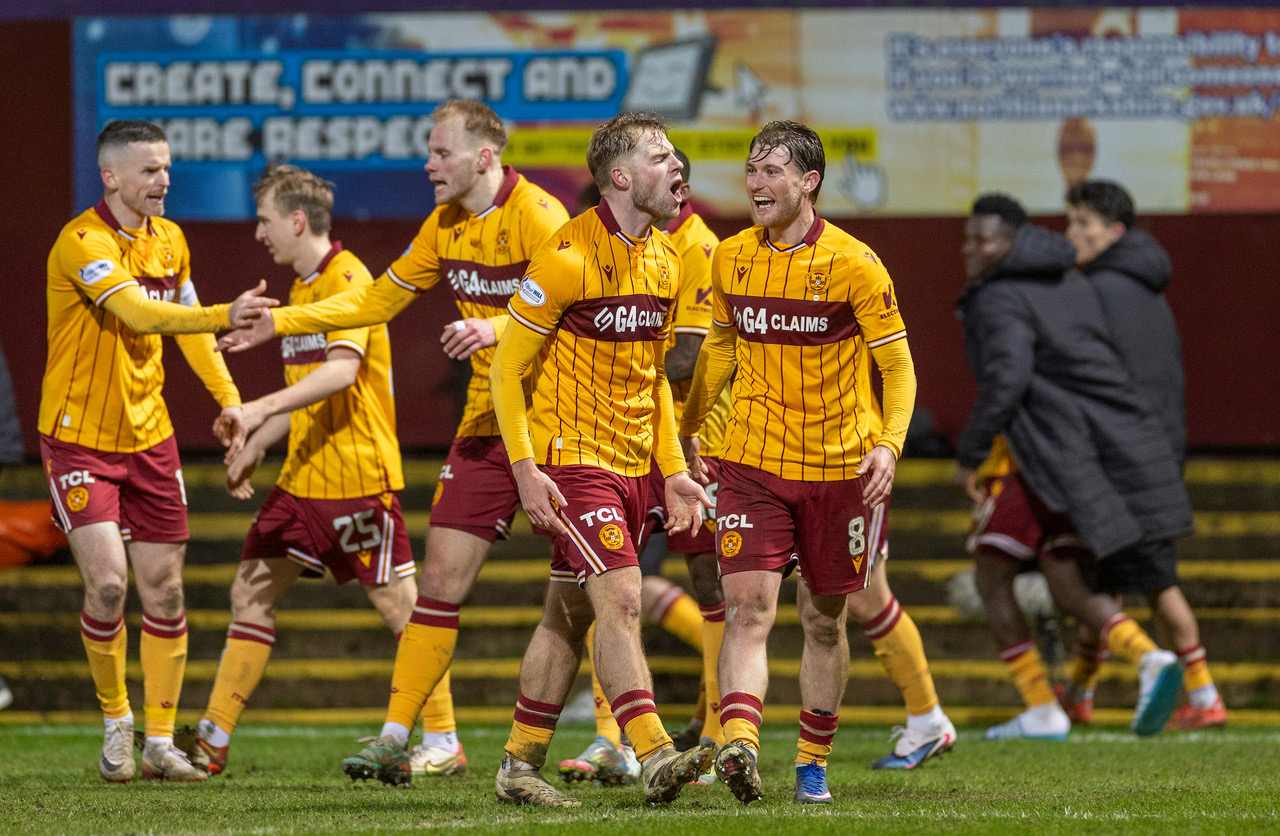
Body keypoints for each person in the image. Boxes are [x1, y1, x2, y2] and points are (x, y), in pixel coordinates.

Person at [215, 100, 571, 783]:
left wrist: (497, 330)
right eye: (430, 152)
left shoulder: (542, 217)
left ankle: (631, 738)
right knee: (434, 583)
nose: (428, 165)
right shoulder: (442, 226)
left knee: (594, 592)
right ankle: (405, 736)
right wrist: (283, 321)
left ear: (485, 157)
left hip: (562, 420)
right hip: (486, 418)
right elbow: (376, 303)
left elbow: (568, 309)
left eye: (440, 153)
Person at [679, 120, 917, 805]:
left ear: (808, 182)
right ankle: (741, 748)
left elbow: (896, 366)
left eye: (772, 171)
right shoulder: (729, 258)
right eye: (752, 170)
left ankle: (812, 764)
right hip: (751, 463)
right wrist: (694, 429)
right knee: (747, 607)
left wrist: (888, 444)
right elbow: (720, 346)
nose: (756, 183)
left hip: (841, 469)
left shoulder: (855, 263)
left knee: (823, 620)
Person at [487, 111, 716, 808]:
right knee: (620, 598)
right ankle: (653, 754)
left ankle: (519, 765)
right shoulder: (565, 256)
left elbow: (653, 379)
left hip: (634, 463)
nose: (677, 166)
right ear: (620, 177)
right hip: (569, 462)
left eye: (676, 154)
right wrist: (525, 470)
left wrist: (673, 468)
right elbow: (505, 370)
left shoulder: (667, 258)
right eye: (659, 156)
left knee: (566, 616)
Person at [39, 119, 274, 782]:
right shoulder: (82, 242)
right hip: (78, 435)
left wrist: (227, 396)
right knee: (109, 584)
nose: (163, 180)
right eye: (148, 170)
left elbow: (188, 328)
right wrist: (225, 314)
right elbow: (143, 316)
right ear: (111, 177)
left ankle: (161, 743)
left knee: (166, 592)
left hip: (150, 438)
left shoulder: (170, 240)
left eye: (166, 168)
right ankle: (118, 722)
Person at [192, 165, 417, 775]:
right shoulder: (299, 289)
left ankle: (440, 742)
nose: (259, 232)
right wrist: (259, 441)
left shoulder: (349, 278)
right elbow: (309, 393)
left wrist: (258, 406)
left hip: (355, 478)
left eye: (265, 219)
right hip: (302, 478)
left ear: (296, 220)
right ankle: (211, 739)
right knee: (249, 591)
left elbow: (342, 373)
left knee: (403, 608)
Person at [955, 193, 1191, 740]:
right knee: (1062, 568)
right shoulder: (1068, 278)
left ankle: (1044, 706)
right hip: (1087, 453)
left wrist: (970, 453)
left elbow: (1009, 376)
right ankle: (1147, 660)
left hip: (1038, 454)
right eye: (967, 237)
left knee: (991, 572)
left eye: (983, 238)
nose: (971, 248)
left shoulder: (1002, 295)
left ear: (1011, 243)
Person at [558, 148, 726, 787]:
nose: (676, 186)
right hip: (619, 444)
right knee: (614, 589)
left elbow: (684, 358)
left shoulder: (695, 249)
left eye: (678, 174)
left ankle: (712, 735)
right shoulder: (609, 249)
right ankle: (614, 740)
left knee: (710, 583)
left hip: (691, 443)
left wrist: (599, 352)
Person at [1062, 180, 1224, 730]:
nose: (1072, 235)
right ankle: (1079, 693)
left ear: (1116, 233)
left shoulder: (1103, 291)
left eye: (1084, 225)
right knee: (1103, 580)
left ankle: (1205, 699)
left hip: (1130, 462)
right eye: (1071, 222)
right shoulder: (1140, 286)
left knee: (1156, 580)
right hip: (1149, 455)